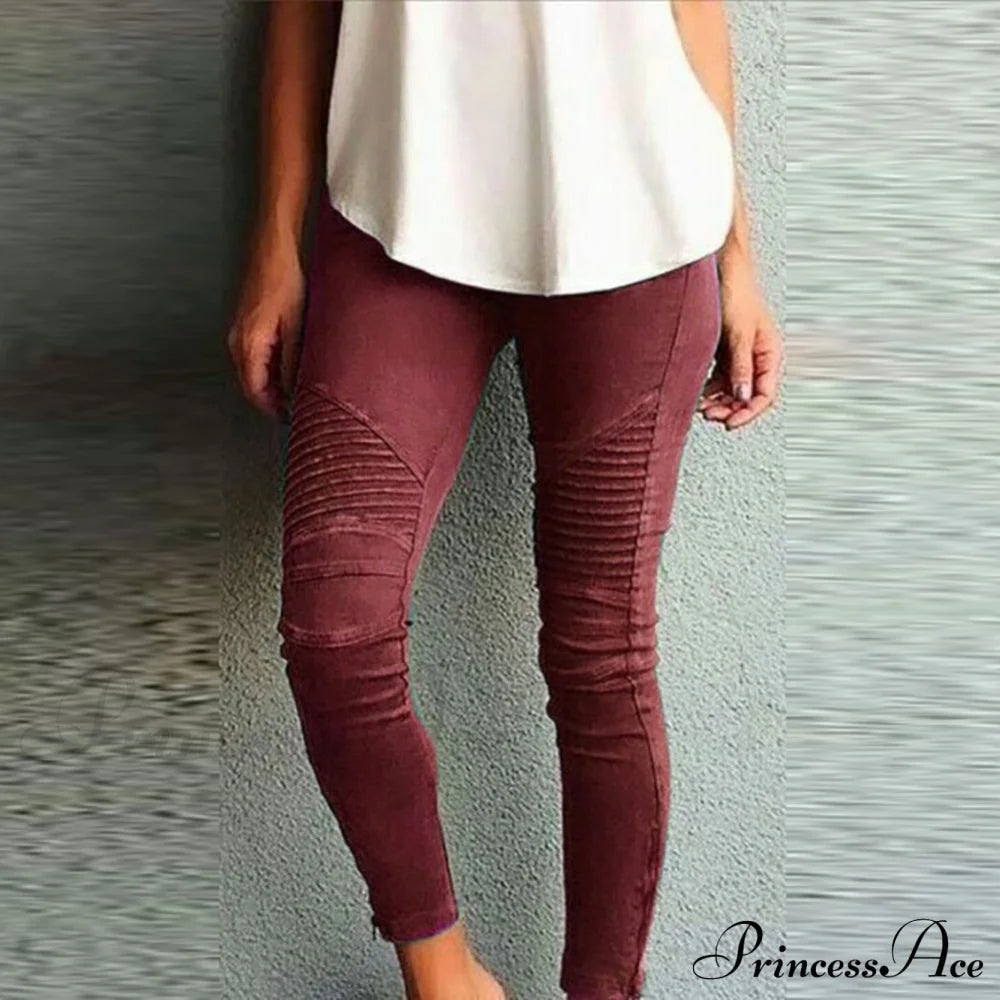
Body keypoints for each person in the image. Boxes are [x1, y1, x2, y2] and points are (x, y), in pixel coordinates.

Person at [227, 2, 781, 998]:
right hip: (394, 211)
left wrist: (737, 256)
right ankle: (444, 977)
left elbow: (693, 11)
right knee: (334, 630)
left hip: (642, 224)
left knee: (602, 653)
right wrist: (274, 240)